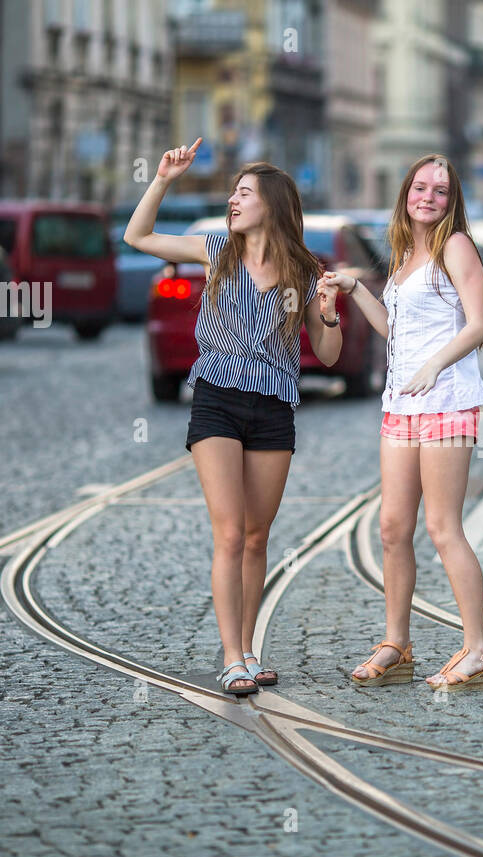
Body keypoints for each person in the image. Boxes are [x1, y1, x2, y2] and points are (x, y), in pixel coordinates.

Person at [124, 139, 342, 696]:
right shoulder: (217, 248)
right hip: (216, 398)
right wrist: (164, 177)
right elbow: (138, 237)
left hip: (272, 407)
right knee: (227, 532)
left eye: (244, 193)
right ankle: (230, 658)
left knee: (255, 535)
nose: (233, 201)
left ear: (272, 202)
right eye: (233, 193)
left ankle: (249, 648)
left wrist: (328, 313)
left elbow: (329, 353)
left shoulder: (304, 269)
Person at [320, 154, 483, 690]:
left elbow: (479, 325)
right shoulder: (404, 254)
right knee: (392, 528)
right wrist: (357, 293)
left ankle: (480, 649)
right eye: (420, 187)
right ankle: (396, 644)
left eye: (440, 191)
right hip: (401, 405)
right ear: (406, 194)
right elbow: (394, 331)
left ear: (452, 201)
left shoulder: (456, 246)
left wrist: (436, 363)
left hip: (447, 401)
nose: (429, 197)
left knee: (443, 529)